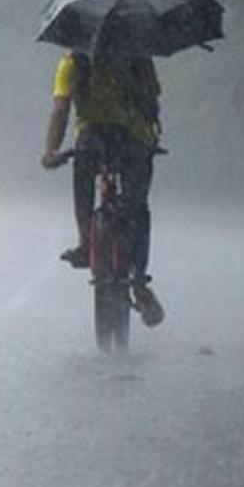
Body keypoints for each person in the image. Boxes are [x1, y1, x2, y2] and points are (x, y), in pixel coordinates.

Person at [41, 51, 165, 327]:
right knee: (137, 206)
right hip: (134, 141)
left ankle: (86, 241)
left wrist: (51, 151)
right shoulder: (139, 58)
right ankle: (139, 281)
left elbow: (61, 110)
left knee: (83, 175)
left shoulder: (73, 62)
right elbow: (152, 104)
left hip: (93, 141)